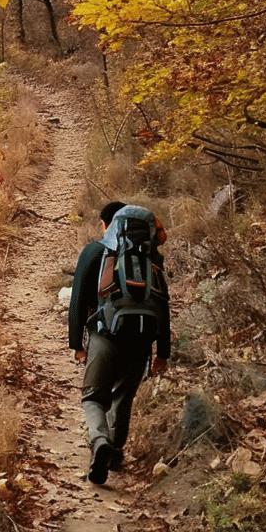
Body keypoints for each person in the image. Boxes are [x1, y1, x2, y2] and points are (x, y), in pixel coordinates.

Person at [68, 200, 172, 485]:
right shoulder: (152, 258)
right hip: (141, 340)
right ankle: (114, 454)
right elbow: (163, 305)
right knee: (122, 399)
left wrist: (76, 343)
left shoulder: (94, 251)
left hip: (104, 335)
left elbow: (77, 301)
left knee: (93, 397)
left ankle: (99, 441)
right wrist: (162, 352)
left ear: (107, 225)